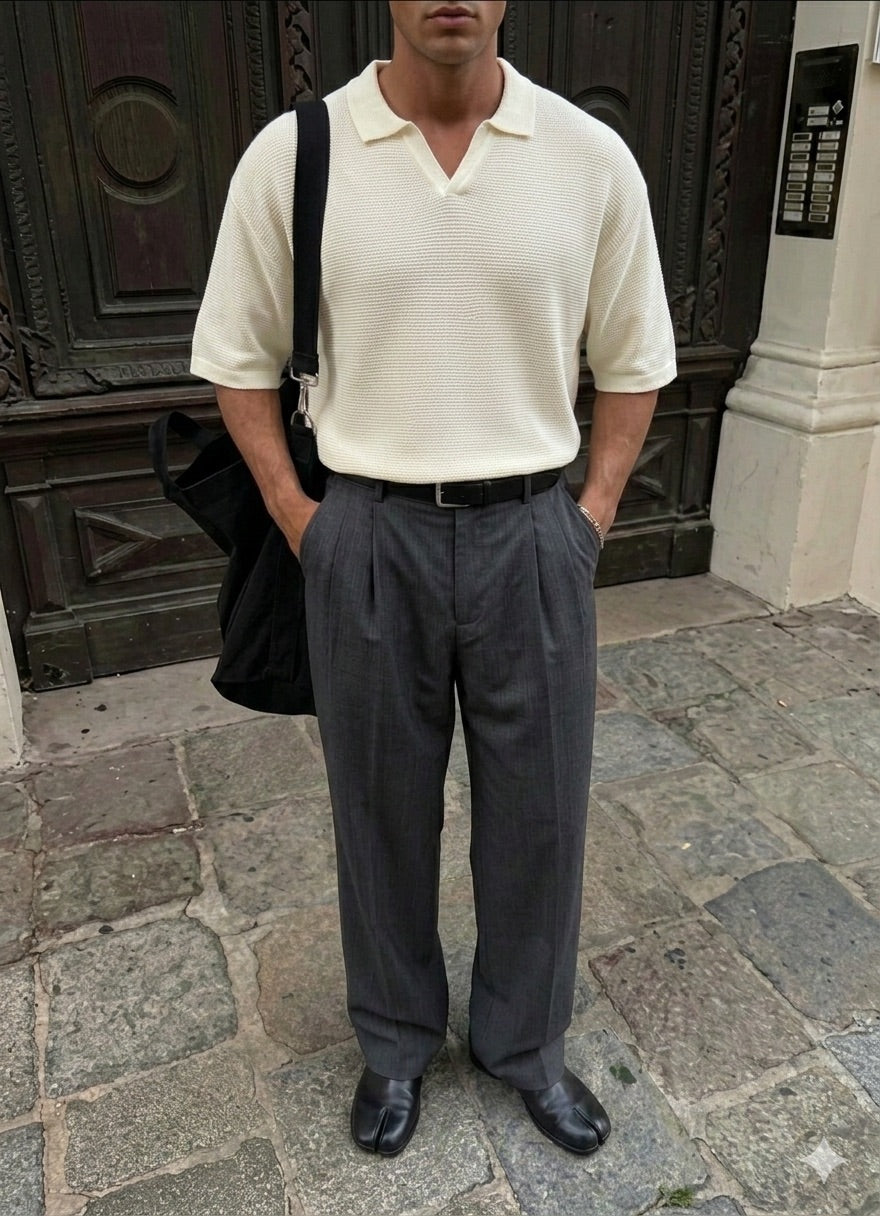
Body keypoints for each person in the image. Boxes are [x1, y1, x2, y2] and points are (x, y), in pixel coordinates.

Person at [190, 0, 675, 1159]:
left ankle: (524, 1044)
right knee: (377, 812)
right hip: (368, 533)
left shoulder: (587, 157)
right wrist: (302, 520)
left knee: (541, 814)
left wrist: (589, 518)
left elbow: (634, 357)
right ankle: (396, 1042)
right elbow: (236, 360)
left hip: (532, 534)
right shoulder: (296, 154)